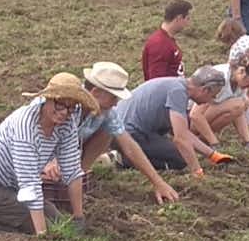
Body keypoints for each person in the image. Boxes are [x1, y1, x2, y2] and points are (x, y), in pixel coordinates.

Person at [0, 73, 95, 234]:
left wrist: (79, 218)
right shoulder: (26, 126)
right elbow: (30, 184)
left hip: (9, 187)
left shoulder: (67, 124)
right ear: (48, 99)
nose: (64, 112)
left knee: (58, 220)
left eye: (72, 107)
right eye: (60, 105)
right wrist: (43, 235)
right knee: (40, 225)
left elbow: (72, 171)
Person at [77, 61, 192, 200]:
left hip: (74, 150)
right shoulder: (70, 105)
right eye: (113, 97)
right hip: (50, 152)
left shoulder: (108, 113)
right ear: (95, 93)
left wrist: (158, 183)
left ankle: (80, 174)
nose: (116, 103)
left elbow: (129, 145)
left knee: (108, 132)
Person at [109, 70, 231, 174]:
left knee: (180, 154)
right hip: (127, 133)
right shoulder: (178, 92)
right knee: (179, 159)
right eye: (213, 96)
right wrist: (197, 171)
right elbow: (181, 139)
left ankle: (122, 154)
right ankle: (122, 159)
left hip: (123, 130)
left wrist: (212, 155)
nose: (212, 100)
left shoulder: (177, 86)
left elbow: (183, 133)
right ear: (205, 90)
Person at [142, 0, 191, 80]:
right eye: (187, 19)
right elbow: (157, 82)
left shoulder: (167, 40)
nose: (188, 23)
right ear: (178, 18)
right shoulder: (159, 44)